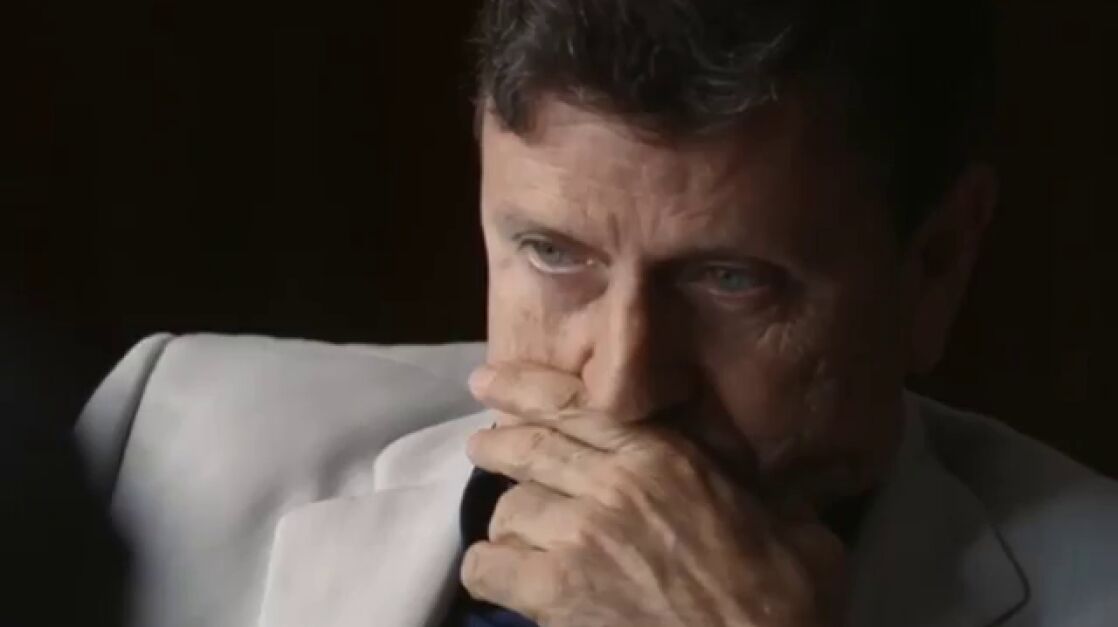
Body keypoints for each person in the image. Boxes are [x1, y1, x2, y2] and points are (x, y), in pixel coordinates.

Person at [435, 0, 1118, 625]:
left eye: (730, 280)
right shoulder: (362, 433)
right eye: (553, 253)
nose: (622, 394)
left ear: (936, 264)